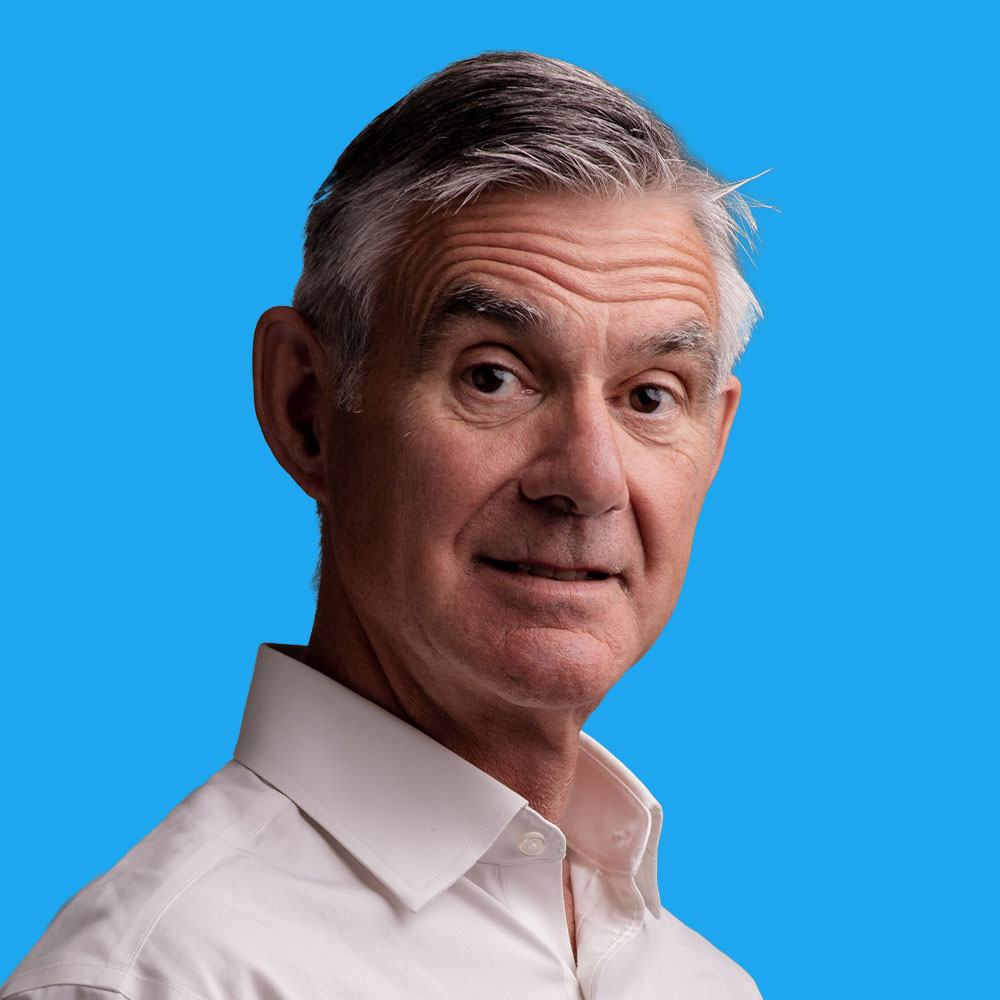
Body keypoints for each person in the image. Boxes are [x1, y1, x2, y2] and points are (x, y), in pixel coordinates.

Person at [2, 52, 764, 1000]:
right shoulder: (160, 977)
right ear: (308, 409)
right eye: (493, 375)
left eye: (651, 396)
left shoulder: (696, 982)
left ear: (717, 436)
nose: (590, 478)